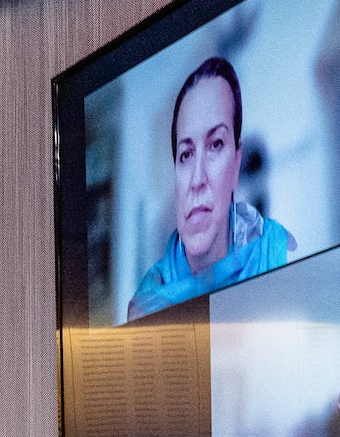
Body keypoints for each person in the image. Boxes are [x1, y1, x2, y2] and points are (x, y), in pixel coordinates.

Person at [127, 57, 296, 319]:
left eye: (216, 145)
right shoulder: (148, 296)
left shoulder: (269, 262)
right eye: (186, 154)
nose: (198, 179)